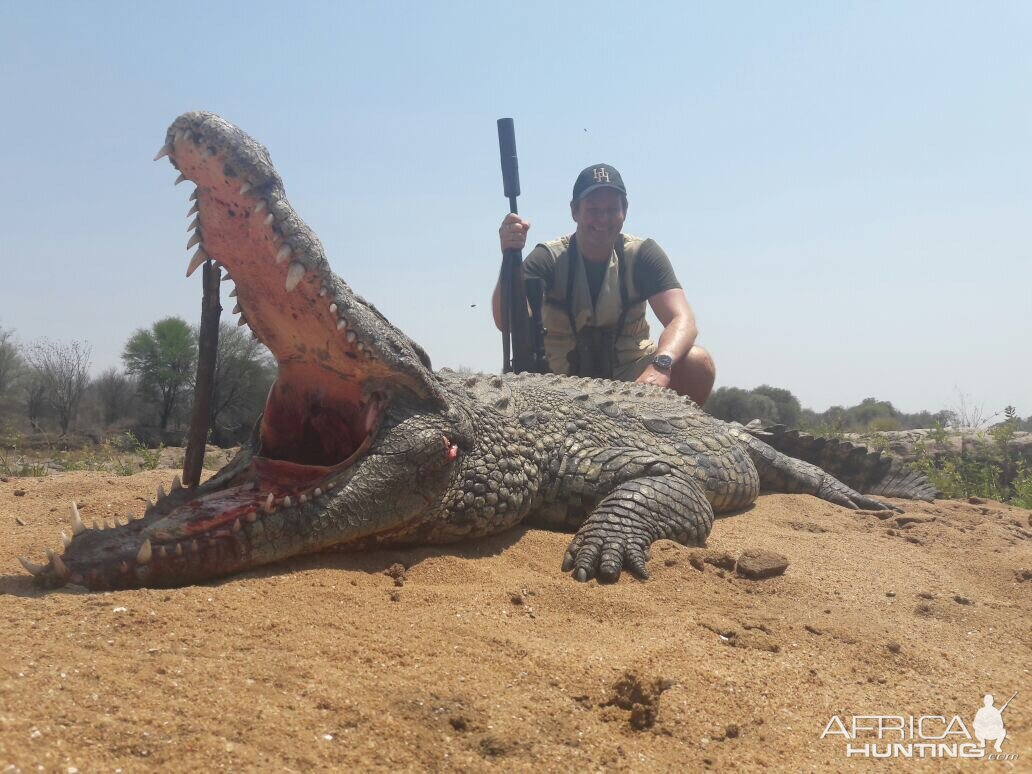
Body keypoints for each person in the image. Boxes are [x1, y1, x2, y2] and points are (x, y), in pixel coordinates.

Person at [492, 163, 715, 404]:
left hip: (633, 383)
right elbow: (506, 322)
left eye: (611, 209)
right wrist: (509, 256)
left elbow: (683, 320)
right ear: (575, 210)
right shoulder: (547, 257)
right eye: (593, 209)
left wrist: (661, 365)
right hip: (560, 386)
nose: (603, 219)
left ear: (625, 210)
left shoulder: (643, 254)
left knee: (697, 362)